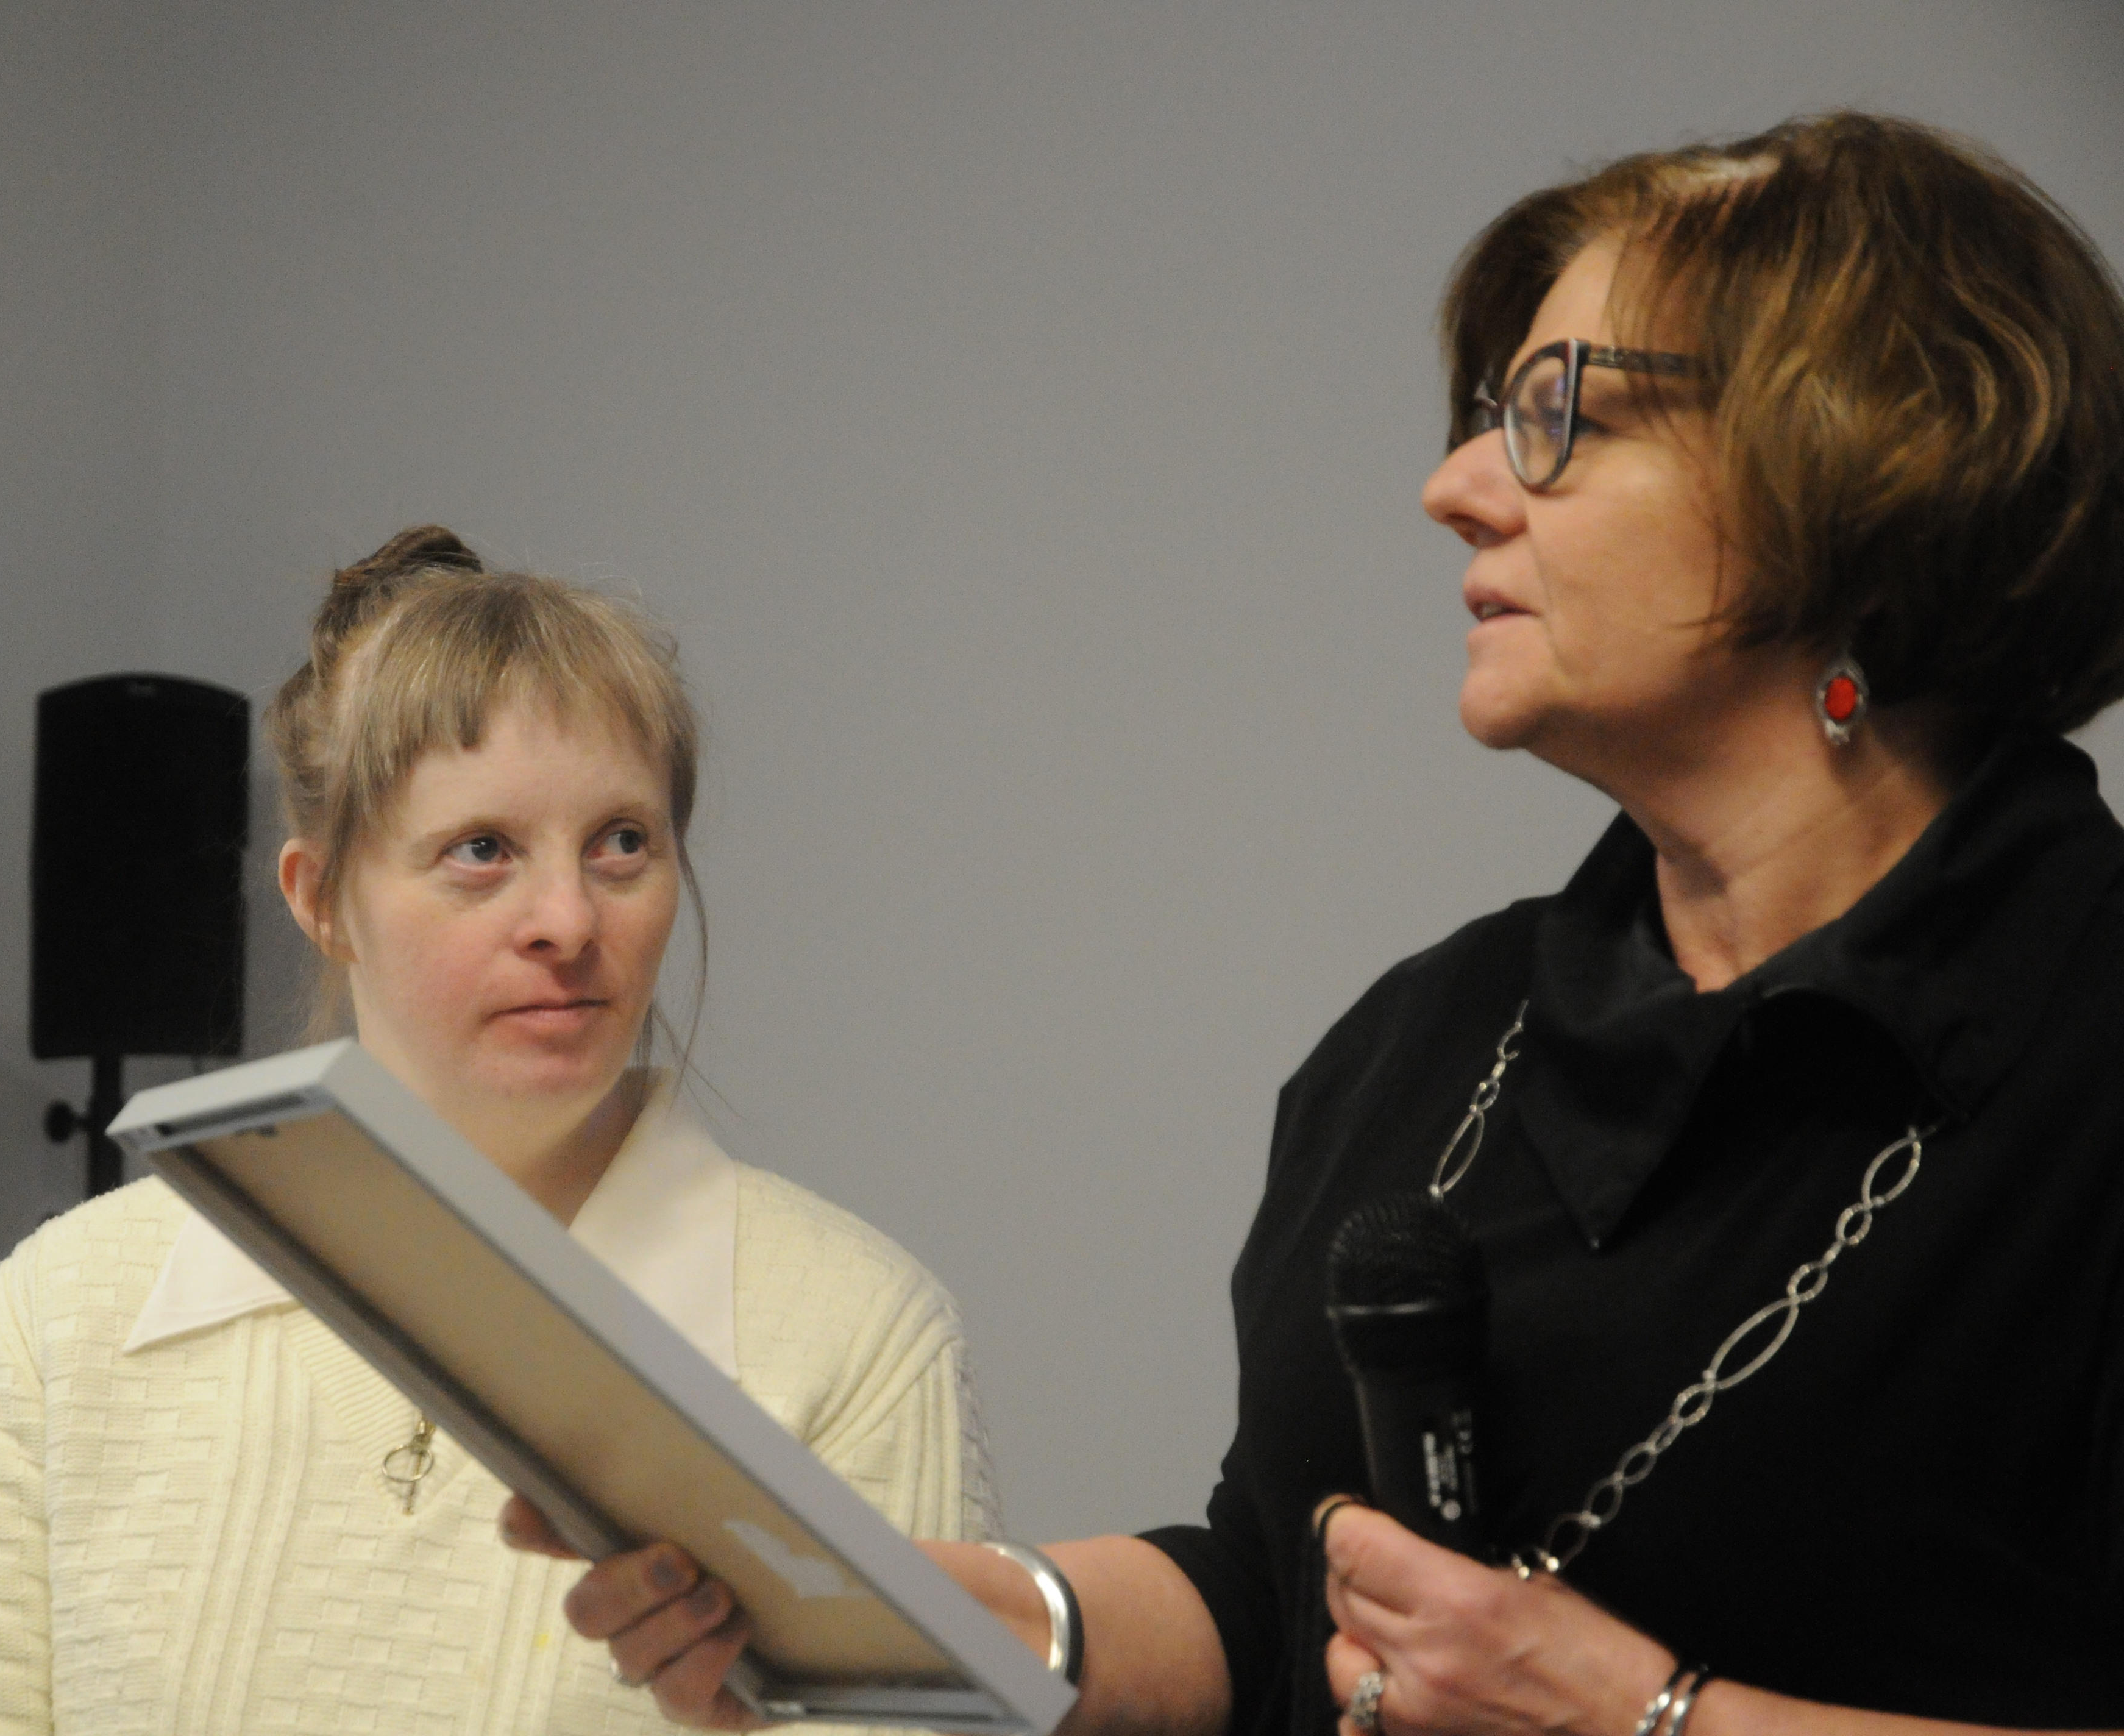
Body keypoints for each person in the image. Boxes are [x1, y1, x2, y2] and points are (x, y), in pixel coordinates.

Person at [517, 112, 2124, 1734]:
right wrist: (935, 1617)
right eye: (1489, 420)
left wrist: (1644, 1716)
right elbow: (1276, 1604)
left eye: (1560, 417)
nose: (1452, 490)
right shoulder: (1426, 1042)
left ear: (1865, 473)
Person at [0, 528, 999, 1734]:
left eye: (621, 843)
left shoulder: (857, 1338)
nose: (567, 920)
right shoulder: (64, 1314)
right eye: (481, 852)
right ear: (322, 898)